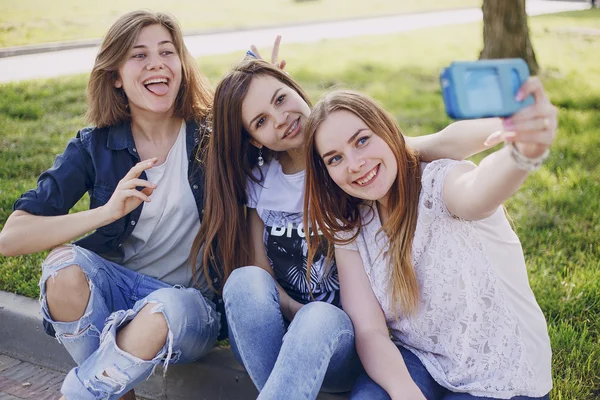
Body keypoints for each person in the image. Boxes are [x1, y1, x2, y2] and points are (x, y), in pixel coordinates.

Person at [190, 55, 514, 399]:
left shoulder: (348, 162)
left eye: (281, 98)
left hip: (338, 334)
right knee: (243, 281)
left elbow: (434, 143)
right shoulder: (261, 181)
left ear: (294, 87)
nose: (281, 119)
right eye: (261, 120)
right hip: (274, 336)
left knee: (317, 319)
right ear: (253, 139)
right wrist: (293, 315)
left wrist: (509, 128)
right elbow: (259, 270)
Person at [0, 10, 221, 400]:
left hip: (188, 306)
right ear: (116, 76)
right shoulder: (94, 145)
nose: (156, 63)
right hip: (120, 291)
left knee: (161, 307)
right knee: (62, 268)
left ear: (181, 67)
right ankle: (113, 393)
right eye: (139, 55)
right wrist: (106, 212)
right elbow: (11, 238)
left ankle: (83, 392)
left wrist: (265, 90)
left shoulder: (212, 136)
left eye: (167, 52)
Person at [303, 81, 556, 399]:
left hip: (497, 369)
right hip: (420, 360)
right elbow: (370, 331)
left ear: (388, 132)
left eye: (363, 140)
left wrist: (522, 153)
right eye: (335, 159)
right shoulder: (352, 225)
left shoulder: (439, 182)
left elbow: (478, 191)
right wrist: (404, 391)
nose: (355, 164)